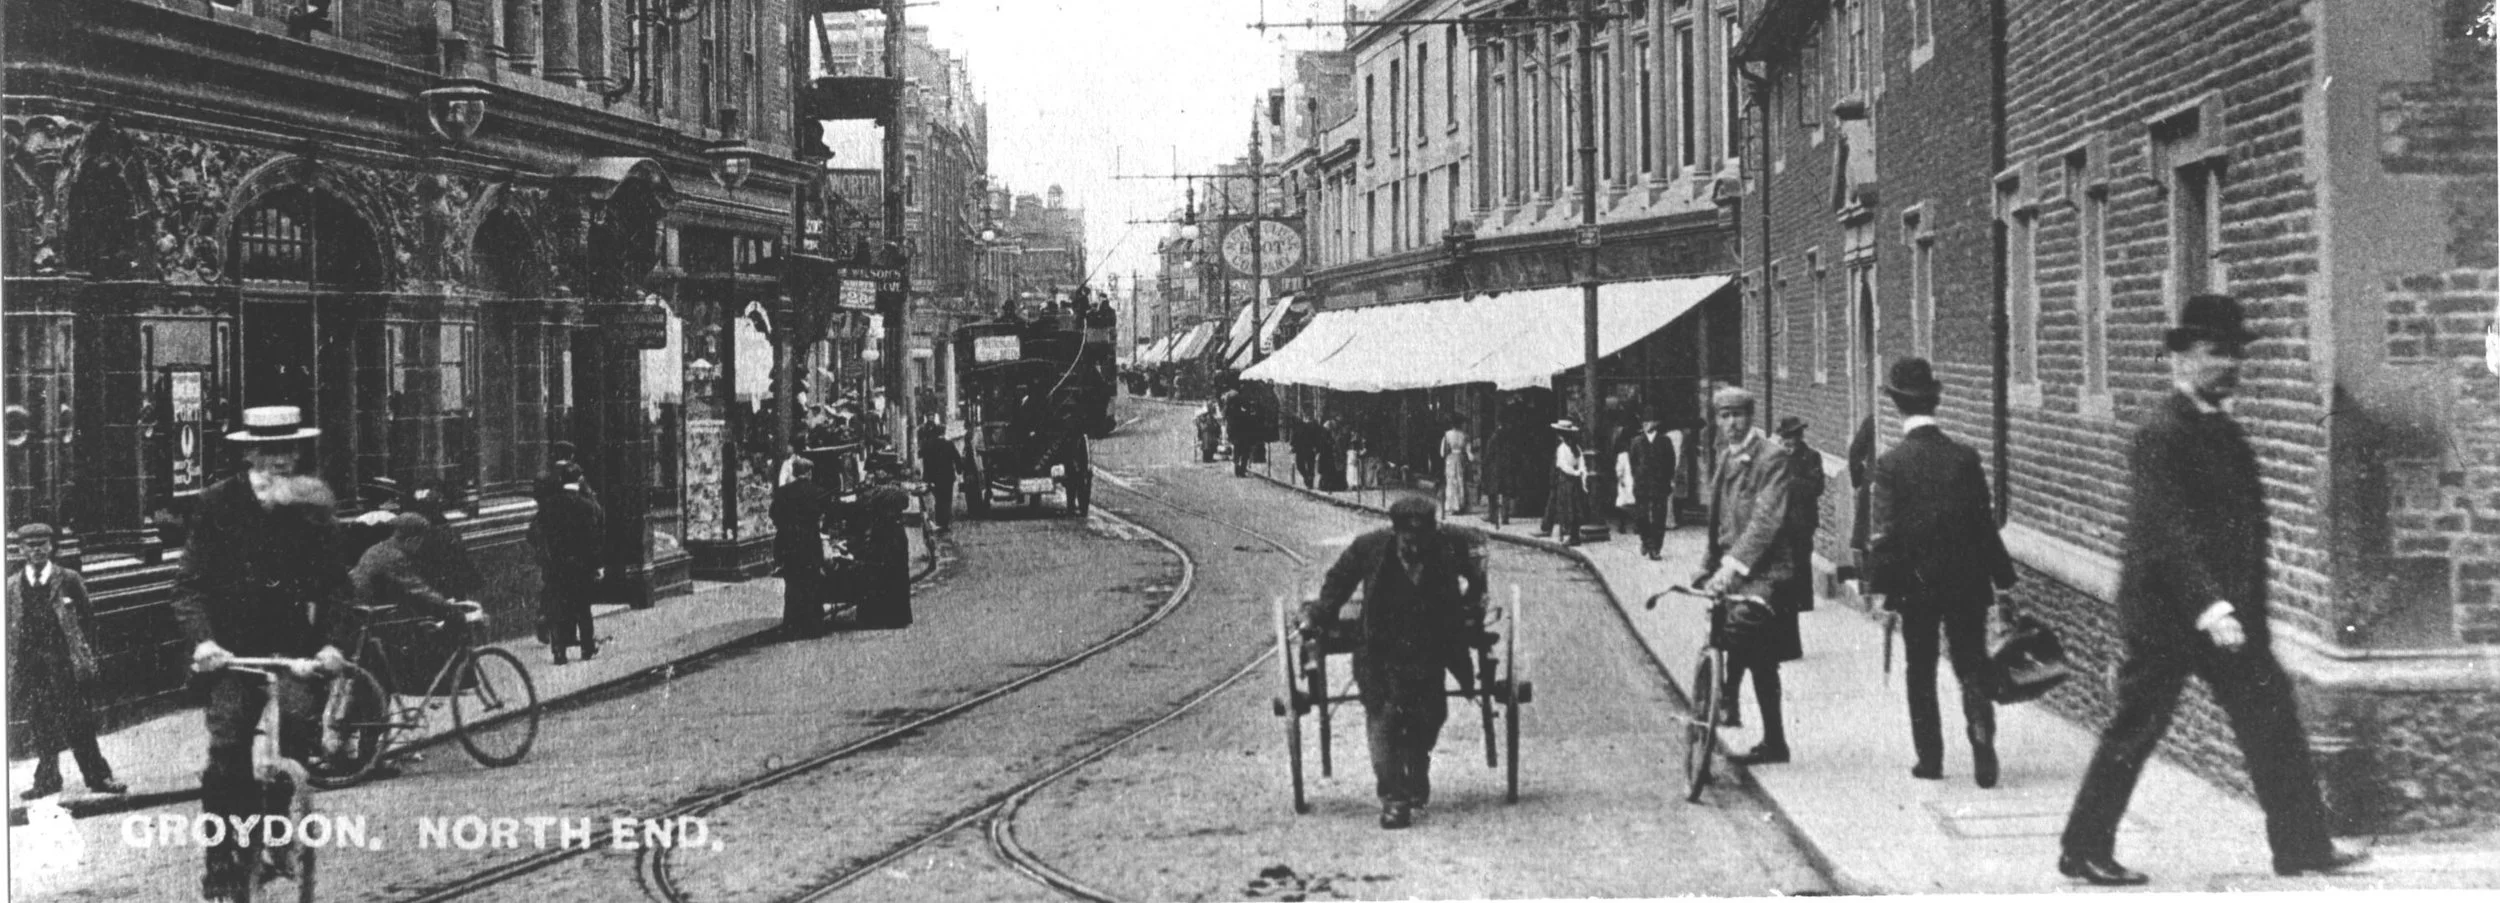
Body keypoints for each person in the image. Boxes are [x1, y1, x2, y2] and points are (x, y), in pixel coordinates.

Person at [2057, 295, 2366, 885]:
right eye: (2218, 353)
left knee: (2273, 719)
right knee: (2137, 728)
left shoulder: (2221, 429)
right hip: (2169, 615)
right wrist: (2210, 605)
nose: (2231, 365)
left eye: (2236, 354)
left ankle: (2303, 847)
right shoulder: (2162, 433)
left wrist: (2237, 608)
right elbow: (2164, 530)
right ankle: (2083, 848)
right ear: (2186, 357)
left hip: (2230, 616)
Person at [169, 405, 354, 901]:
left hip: (294, 651)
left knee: (295, 731)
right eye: (270, 450)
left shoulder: (311, 507)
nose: (282, 461)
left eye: (289, 449)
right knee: (225, 753)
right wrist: (204, 641)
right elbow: (189, 585)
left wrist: (335, 644)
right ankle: (220, 860)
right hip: (231, 654)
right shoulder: (217, 503)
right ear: (250, 452)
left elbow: (339, 586)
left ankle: (277, 831)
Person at [1860, 358, 2019, 789]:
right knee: (1971, 663)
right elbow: (1985, 525)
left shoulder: (1892, 464)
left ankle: (1930, 759)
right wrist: (2003, 581)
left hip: (1917, 587)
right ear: (1935, 402)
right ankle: (1982, 742)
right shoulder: (1964, 458)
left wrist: (1880, 590)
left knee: (1921, 668)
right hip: (1968, 582)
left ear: (1897, 405)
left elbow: (1885, 535)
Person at [1301, 495, 1489, 830]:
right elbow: (1338, 583)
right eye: (1407, 539)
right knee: (1383, 718)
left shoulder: (1446, 553)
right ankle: (1393, 797)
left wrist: (1465, 665)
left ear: (1433, 533)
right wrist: (1319, 615)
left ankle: (1417, 768)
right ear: (1396, 533)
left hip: (1428, 654)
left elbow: (1467, 595)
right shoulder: (1370, 549)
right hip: (1378, 654)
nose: (1413, 547)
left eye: (1421, 539)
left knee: (1430, 718)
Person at [1694, 388, 1810, 766]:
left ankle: (1766, 734)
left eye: (1738, 416)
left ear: (1750, 415)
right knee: (1735, 639)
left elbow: (1765, 521)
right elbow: (1718, 520)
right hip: (1733, 570)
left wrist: (1731, 567)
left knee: (1755, 645)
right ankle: (1729, 704)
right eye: (1724, 416)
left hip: (1768, 572)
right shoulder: (1726, 456)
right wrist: (1708, 562)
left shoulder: (1772, 458)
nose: (1730, 423)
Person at [10, 523, 128, 800]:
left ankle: (99, 777)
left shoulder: (68, 579)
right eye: (30, 545)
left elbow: (88, 620)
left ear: (52, 547)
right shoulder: (13, 586)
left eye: (42, 544)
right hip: (31, 665)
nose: (37, 550)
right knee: (40, 723)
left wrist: (85, 657)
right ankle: (47, 780)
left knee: (78, 721)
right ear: (21, 549)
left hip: (64, 663)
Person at [529, 462, 605, 664]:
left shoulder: (549, 506)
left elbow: (532, 533)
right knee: (583, 608)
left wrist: (545, 555)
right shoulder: (588, 507)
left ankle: (559, 652)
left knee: (558, 610)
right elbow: (595, 539)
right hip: (582, 567)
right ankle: (587, 649)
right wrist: (597, 565)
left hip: (557, 567)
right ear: (579, 480)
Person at [833, 454, 914, 630]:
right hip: (896, 535)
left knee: (877, 573)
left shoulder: (879, 492)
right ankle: (897, 616)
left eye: (877, 471)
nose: (874, 474)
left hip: (882, 535)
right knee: (896, 575)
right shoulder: (897, 490)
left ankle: (877, 616)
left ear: (884, 472)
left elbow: (862, 506)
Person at [771, 457, 834, 635]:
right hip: (809, 542)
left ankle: (792, 625)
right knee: (811, 582)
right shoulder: (817, 492)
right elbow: (827, 514)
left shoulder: (782, 493)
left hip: (788, 542)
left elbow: (774, 514)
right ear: (809, 473)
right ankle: (812, 626)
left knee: (793, 584)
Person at [1625, 408, 1680, 560]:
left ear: (1656, 423)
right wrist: (1638, 477)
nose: (1645, 425)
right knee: (1641, 516)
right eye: (1643, 422)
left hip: (1660, 485)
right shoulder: (1636, 441)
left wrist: (1667, 479)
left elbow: (1671, 462)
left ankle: (1655, 548)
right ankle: (1645, 540)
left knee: (1658, 518)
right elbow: (1633, 463)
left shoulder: (1665, 441)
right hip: (1642, 485)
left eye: (1648, 422)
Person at [1543, 419, 1590, 545]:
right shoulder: (1576, 447)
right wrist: (1579, 472)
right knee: (1575, 507)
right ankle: (1574, 535)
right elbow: (1582, 463)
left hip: (1566, 480)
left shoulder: (1562, 448)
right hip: (1575, 481)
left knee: (1566, 507)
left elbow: (1562, 465)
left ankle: (1570, 535)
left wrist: (1574, 473)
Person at [917, 420, 962, 531]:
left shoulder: (929, 444)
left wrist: (926, 477)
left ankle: (939, 521)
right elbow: (956, 458)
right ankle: (945, 522)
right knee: (947, 499)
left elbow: (922, 457)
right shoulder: (948, 444)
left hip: (935, 478)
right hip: (948, 477)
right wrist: (959, 469)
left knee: (939, 499)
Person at [1438, 414, 1473, 515]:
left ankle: (1452, 506)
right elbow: (1469, 452)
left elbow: (1442, 453)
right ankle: (1461, 505)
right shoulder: (1465, 435)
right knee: (1461, 481)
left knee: (1451, 482)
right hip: (1461, 459)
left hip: (1450, 459)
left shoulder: (1447, 435)